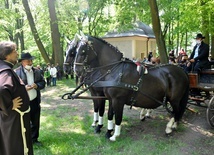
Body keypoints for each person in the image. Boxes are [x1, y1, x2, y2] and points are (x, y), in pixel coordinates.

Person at [0, 41, 33, 155]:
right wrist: (8, 105)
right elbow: (2, 88)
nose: (17, 54)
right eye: (14, 52)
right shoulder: (5, 71)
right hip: (15, 120)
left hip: (12, 119)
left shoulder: (3, 68)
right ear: (6, 55)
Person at [15, 52, 45, 145]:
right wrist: (24, 89)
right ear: (22, 62)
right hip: (24, 102)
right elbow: (14, 87)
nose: (30, 62)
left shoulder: (37, 71)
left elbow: (43, 83)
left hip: (35, 100)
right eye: (28, 61)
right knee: (24, 122)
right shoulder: (16, 73)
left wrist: (37, 85)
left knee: (35, 121)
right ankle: (25, 140)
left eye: (31, 60)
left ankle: (34, 139)